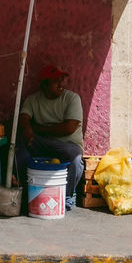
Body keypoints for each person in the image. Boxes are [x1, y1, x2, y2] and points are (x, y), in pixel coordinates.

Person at [15, 64, 84, 211]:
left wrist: (36, 129)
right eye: (55, 81)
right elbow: (24, 117)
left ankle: (66, 198)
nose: (61, 84)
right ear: (44, 85)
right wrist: (27, 128)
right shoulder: (33, 99)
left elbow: (69, 128)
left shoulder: (72, 98)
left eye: (62, 80)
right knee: (19, 140)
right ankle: (27, 193)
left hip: (66, 145)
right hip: (42, 142)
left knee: (76, 158)